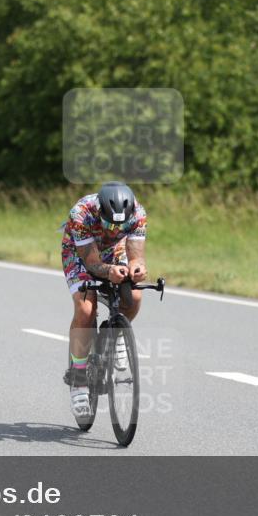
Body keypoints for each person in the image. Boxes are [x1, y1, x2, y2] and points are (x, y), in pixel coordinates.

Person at [60, 181, 148, 422]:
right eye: (108, 224)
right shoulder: (81, 213)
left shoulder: (138, 214)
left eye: (119, 226)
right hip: (80, 253)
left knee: (135, 295)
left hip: (113, 252)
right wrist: (109, 272)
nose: (112, 230)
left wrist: (137, 268)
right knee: (86, 307)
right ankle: (78, 379)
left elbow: (136, 256)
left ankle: (117, 335)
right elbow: (91, 262)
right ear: (100, 212)